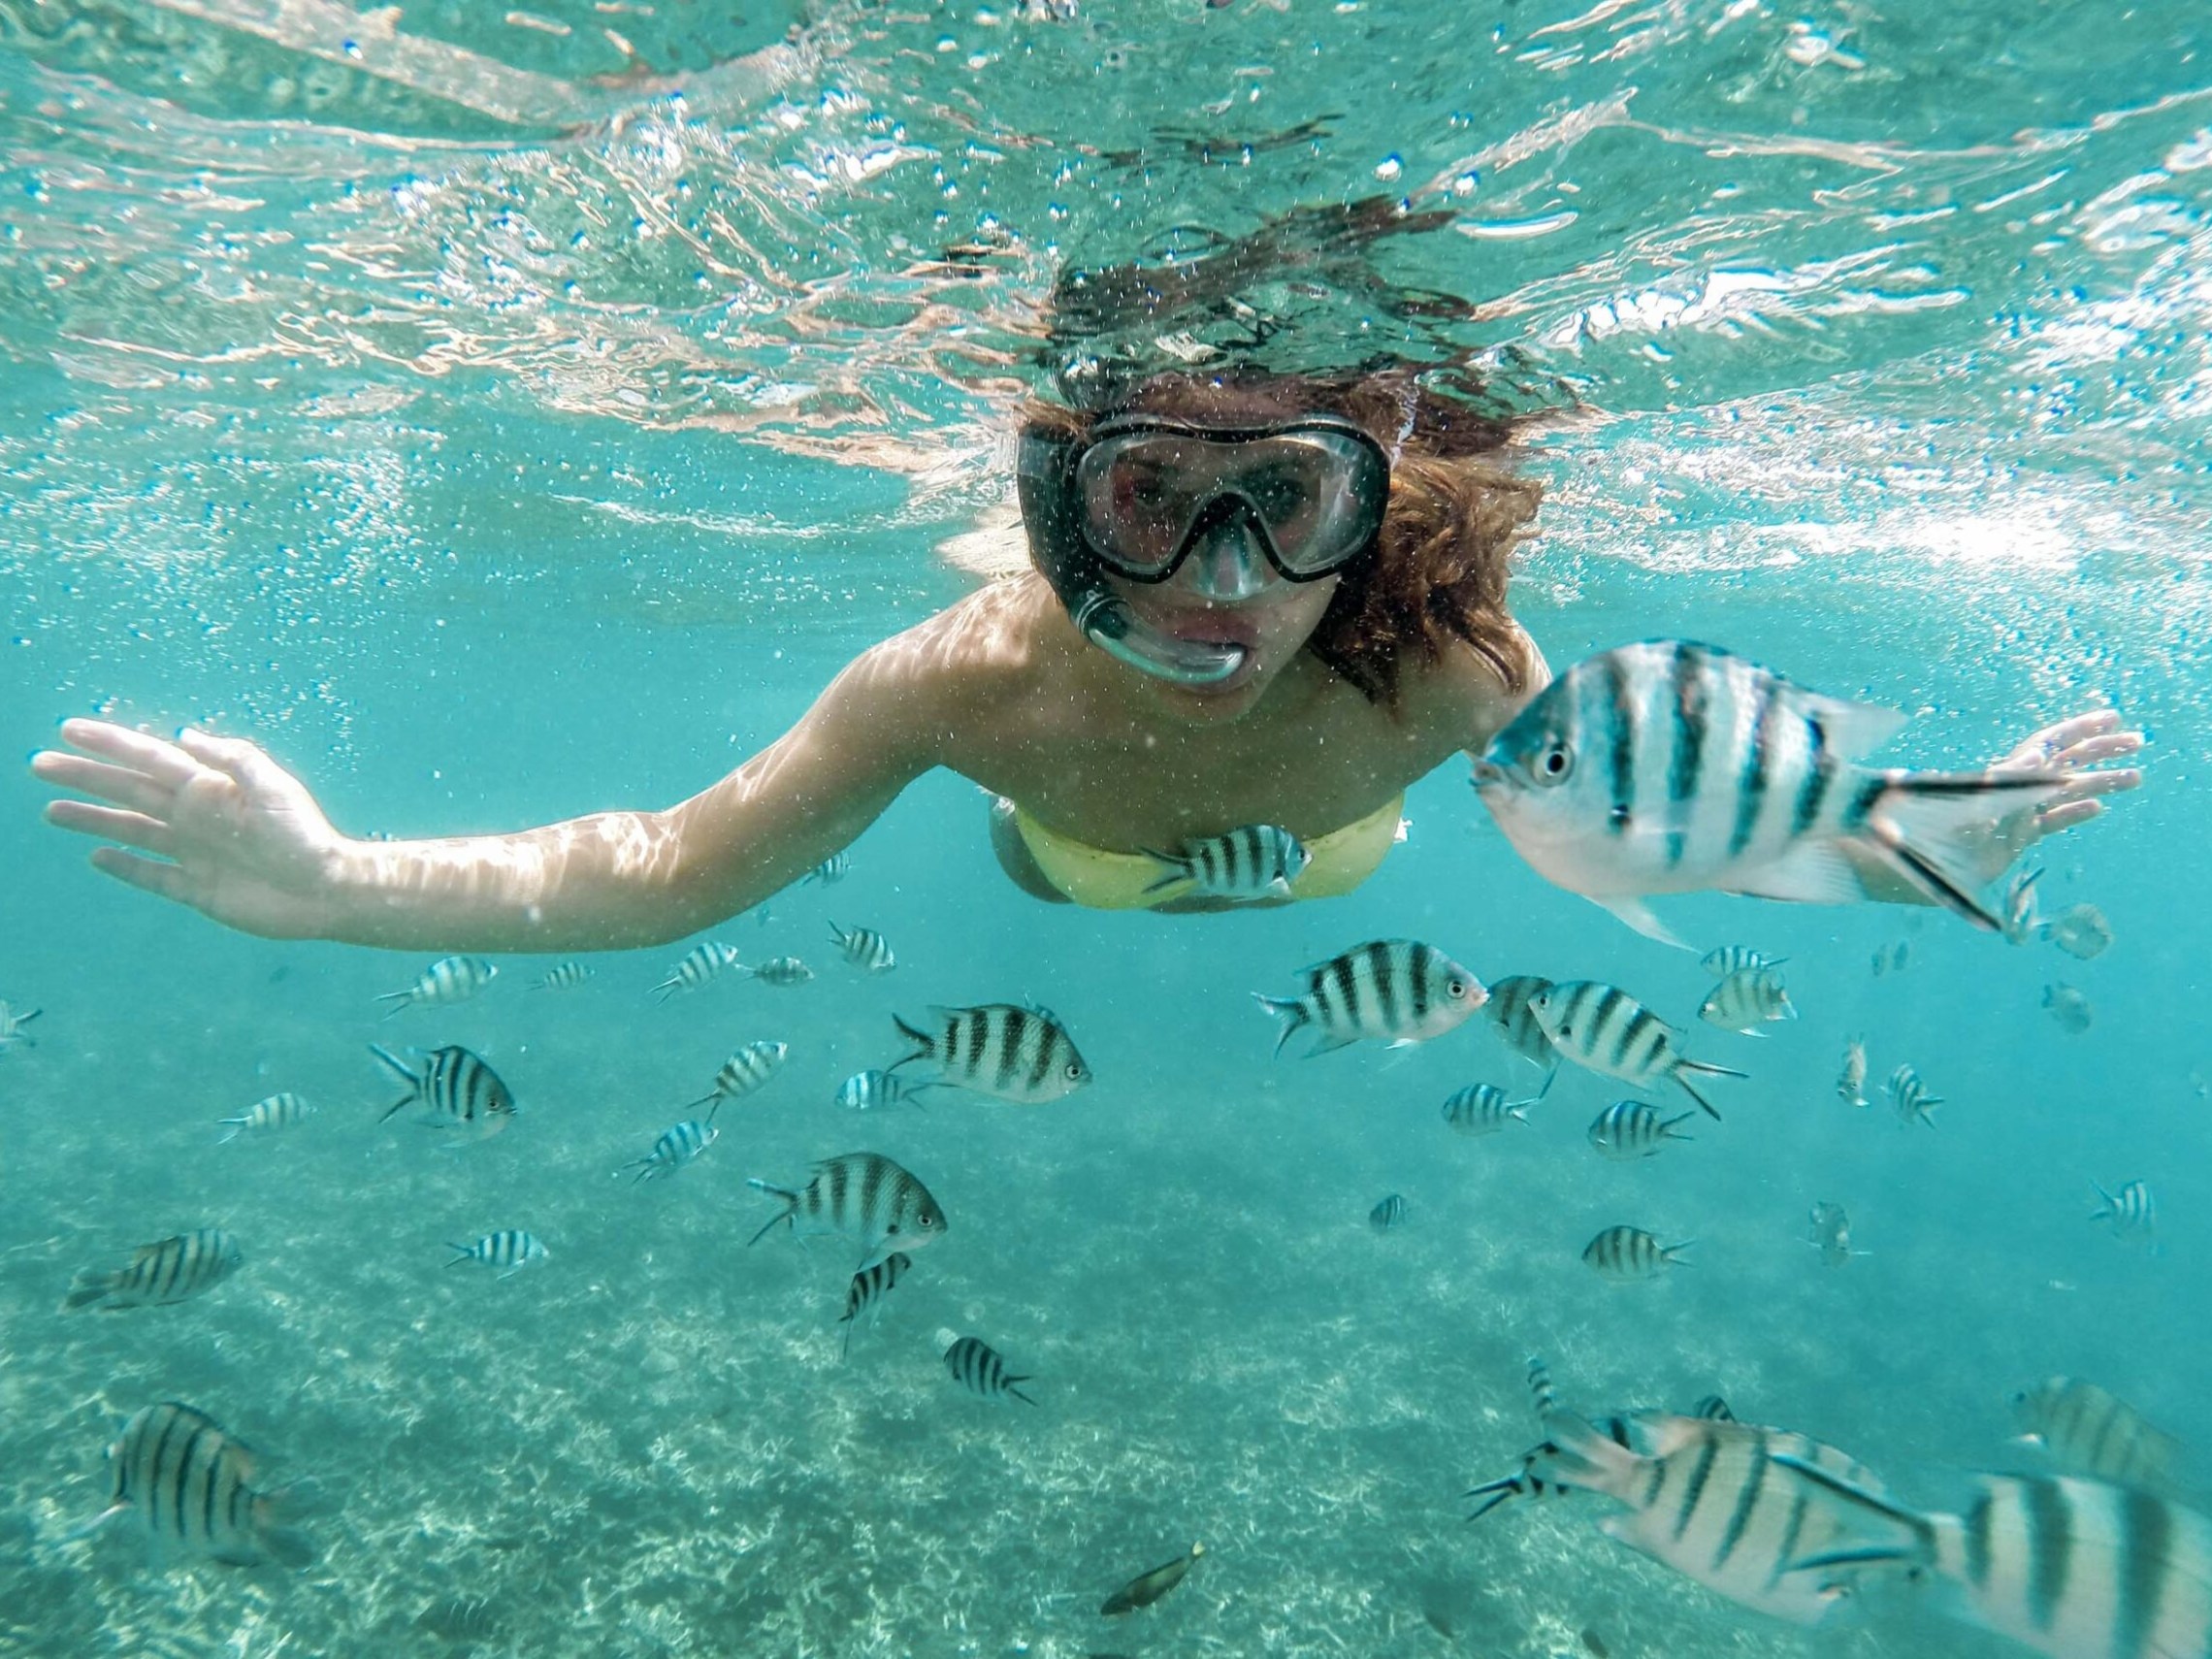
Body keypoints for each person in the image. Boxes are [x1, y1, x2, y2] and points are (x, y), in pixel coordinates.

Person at [30, 361, 2138, 948]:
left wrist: (1939, 842)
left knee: (1340, 872)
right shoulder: (958, 686)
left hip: (1342, 862)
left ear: (1374, 512)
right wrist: (327, 888)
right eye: (1149, 500)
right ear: (1057, 507)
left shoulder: (1459, 680)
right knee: (1069, 873)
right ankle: (1069, 873)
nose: (1222, 578)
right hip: (1074, 843)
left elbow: (1693, 816)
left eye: (1289, 504)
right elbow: (671, 867)